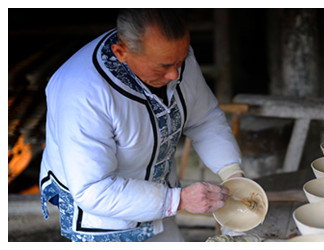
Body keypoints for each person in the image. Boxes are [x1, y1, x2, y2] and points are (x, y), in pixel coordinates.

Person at [39, 8, 245, 242]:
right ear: (121, 52)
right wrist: (178, 200)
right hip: (102, 210)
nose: (175, 75)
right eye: (163, 67)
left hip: (159, 191)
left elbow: (204, 118)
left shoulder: (173, 56)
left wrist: (231, 173)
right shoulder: (83, 93)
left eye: (181, 60)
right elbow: (93, 189)